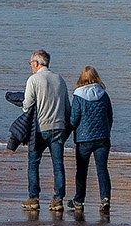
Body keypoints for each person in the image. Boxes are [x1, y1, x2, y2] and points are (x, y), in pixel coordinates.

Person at [15, 49, 72, 215]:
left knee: (33, 163)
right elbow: (67, 107)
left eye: (31, 63)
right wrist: (66, 126)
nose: (31, 66)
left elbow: (27, 105)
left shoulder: (33, 80)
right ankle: (58, 199)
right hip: (58, 127)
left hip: (40, 128)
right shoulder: (60, 79)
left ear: (37, 63)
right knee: (58, 165)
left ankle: (33, 198)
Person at [69, 67, 115, 216]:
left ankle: (79, 200)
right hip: (103, 138)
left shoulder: (78, 95)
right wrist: (106, 131)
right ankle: (105, 199)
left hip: (84, 138)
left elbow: (74, 119)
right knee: (102, 169)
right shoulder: (104, 94)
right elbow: (110, 117)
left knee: (82, 170)